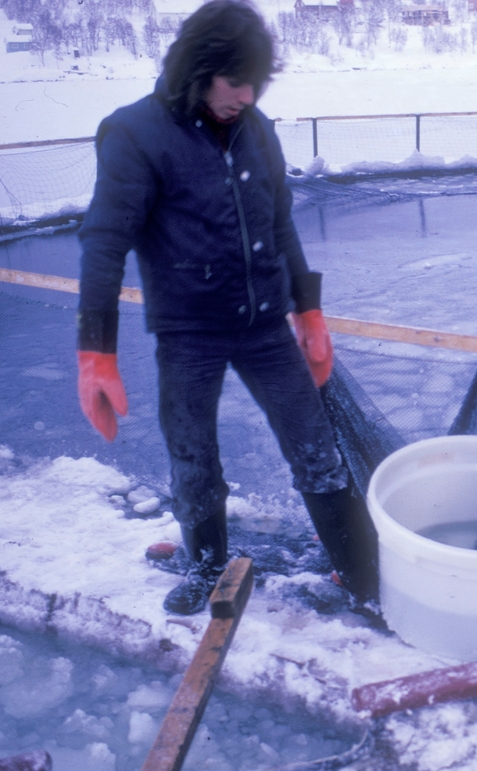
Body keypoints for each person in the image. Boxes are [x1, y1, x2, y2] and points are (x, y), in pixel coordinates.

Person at [76, 0, 377, 616]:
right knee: (193, 457)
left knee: (317, 450)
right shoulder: (134, 133)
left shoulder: (254, 127)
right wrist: (95, 353)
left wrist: (309, 314)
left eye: (255, 85)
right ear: (199, 69)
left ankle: (363, 577)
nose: (245, 96)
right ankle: (208, 567)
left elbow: (281, 220)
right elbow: (104, 243)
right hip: (189, 332)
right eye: (235, 83)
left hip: (266, 324)